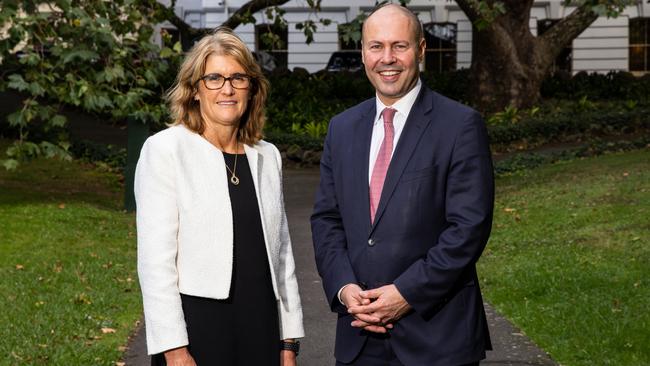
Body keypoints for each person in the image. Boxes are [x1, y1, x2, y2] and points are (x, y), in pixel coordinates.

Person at [311, 4, 494, 366]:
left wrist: (406, 294)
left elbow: (468, 228)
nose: (387, 58)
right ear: (362, 53)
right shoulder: (342, 128)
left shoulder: (460, 125)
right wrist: (345, 289)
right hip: (359, 334)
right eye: (376, 46)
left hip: (437, 337)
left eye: (400, 46)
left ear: (421, 50)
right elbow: (327, 220)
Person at [135, 27, 304, 366]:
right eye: (214, 78)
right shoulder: (166, 150)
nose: (227, 89)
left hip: (262, 328)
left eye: (238, 78)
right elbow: (156, 264)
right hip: (198, 332)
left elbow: (282, 255)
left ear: (251, 87)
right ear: (195, 89)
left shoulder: (266, 155)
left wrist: (288, 344)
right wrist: (175, 350)